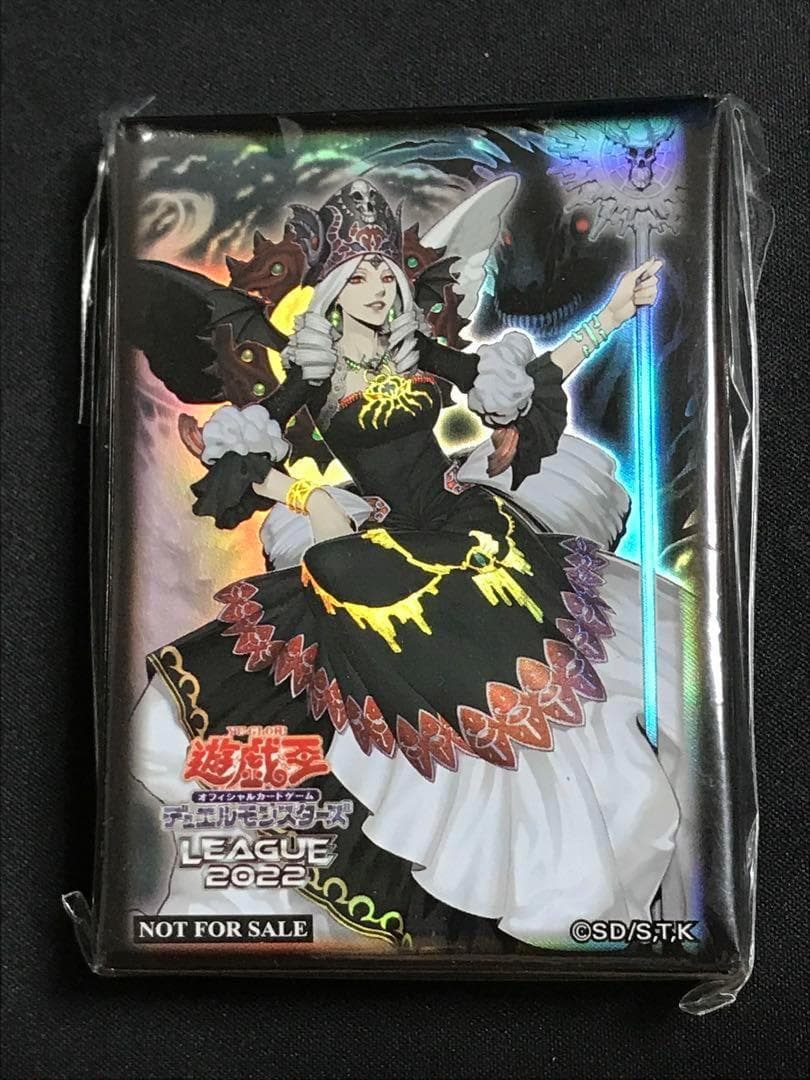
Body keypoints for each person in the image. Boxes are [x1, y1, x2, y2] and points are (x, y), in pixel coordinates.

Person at [129, 177, 694, 950]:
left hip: (466, 523)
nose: (376, 288)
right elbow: (257, 460)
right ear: (332, 292)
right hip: (385, 549)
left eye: (385, 275)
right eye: (358, 276)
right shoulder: (313, 375)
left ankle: (563, 845)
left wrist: (615, 314)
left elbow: (529, 384)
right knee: (400, 669)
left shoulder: (420, 351)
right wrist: (300, 492)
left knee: (543, 693)